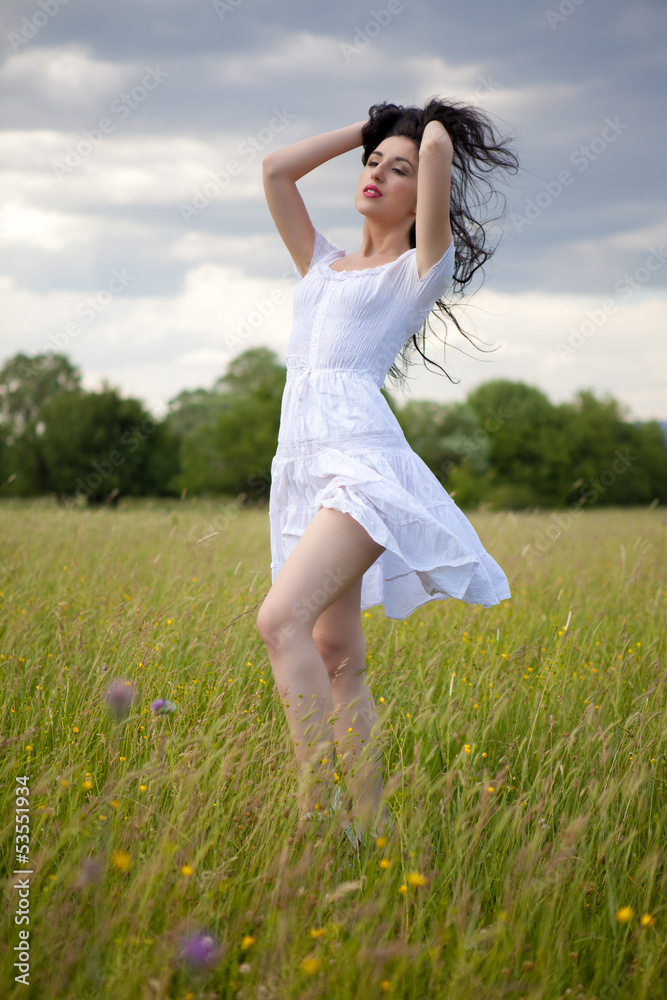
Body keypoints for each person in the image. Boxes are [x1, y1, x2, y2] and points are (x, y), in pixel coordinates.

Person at [257, 99, 518, 845]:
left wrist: (426, 121)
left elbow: (436, 152)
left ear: (420, 194)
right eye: (372, 163)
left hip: (361, 468)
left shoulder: (416, 270)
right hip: (302, 472)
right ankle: (370, 827)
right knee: (338, 657)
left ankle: (316, 813)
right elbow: (276, 170)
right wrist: (368, 131)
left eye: (394, 169)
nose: (376, 173)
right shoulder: (321, 261)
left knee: (280, 621)